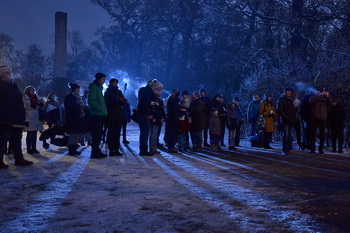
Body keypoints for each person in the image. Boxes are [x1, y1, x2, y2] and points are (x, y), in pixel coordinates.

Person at [0, 64, 33, 168]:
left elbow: (19, 101)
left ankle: (19, 159)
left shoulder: (13, 85)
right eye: (6, 73)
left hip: (17, 118)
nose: (8, 75)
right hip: (5, 118)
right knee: (2, 140)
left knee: (17, 140)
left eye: (9, 73)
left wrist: (23, 117)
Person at [64, 82, 88, 155]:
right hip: (73, 118)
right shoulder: (69, 97)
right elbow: (69, 108)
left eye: (79, 89)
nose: (79, 90)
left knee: (78, 134)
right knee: (73, 134)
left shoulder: (78, 97)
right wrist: (79, 107)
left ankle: (74, 148)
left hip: (79, 118)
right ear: (74, 89)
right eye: (77, 89)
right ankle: (71, 149)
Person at [88, 73, 108, 158]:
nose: (104, 81)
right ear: (99, 79)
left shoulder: (99, 89)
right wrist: (100, 108)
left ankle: (96, 150)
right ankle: (95, 151)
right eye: (103, 79)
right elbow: (91, 101)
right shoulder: (94, 88)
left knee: (99, 134)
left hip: (100, 114)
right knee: (96, 134)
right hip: (97, 115)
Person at [104, 78, 124, 156]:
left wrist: (122, 100)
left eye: (116, 82)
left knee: (117, 133)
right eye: (114, 83)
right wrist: (117, 100)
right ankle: (111, 149)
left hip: (119, 115)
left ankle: (116, 149)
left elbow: (124, 100)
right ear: (111, 83)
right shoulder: (108, 92)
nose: (115, 84)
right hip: (111, 115)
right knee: (112, 133)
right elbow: (108, 103)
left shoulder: (119, 91)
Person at [309, 90, 332, 154]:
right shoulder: (314, 97)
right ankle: (312, 149)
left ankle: (321, 149)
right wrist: (318, 96)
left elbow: (330, 104)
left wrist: (327, 96)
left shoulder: (325, 99)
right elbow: (311, 101)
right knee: (313, 134)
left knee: (322, 135)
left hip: (323, 118)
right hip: (315, 118)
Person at [23, 86, 44, 154]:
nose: (32, 92)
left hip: (36, 117)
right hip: (29, 117)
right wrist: (26, 120)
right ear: (27, 91)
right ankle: (29, 148)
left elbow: (40, 107)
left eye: (33, 90)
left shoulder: (36, 98)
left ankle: (34, 148)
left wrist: (41, 104)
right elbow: (24, 109)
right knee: (30, 134)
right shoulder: (25, 98)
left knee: (34, 134)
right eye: (31, 90)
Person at [137, 81, 154, 156]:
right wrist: (148, 113)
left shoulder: (142, 90)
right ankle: (144, 150)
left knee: (143, 132)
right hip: (144, 114)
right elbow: (146, 104)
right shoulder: (148, 92)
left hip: (141, 113)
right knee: (146, 132)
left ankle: (142, 149)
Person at [277, 88, 297, 155]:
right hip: (285, 120)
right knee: (285, 135)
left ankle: (288, 148)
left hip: (290, 120)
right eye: (288, 91)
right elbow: (280, 110)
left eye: (290, 91)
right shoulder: (282, 100)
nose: (289, 93)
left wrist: (293, 119)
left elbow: (293, 111)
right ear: (285, 92)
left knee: (289, 136)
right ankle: (285, 149)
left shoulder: (291, 100)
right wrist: (285, 117)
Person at [149, 81, 165, 154]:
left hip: (158, 118)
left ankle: (154, 146)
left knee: (155, 134)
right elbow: (153, 109)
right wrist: (154, 117)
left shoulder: (159, 98)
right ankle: (152, 147)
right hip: (154, 119)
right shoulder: (153, 97)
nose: (161, 89)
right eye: (160, 88)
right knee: (153, 133)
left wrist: (162, 117)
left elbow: (161, 109)